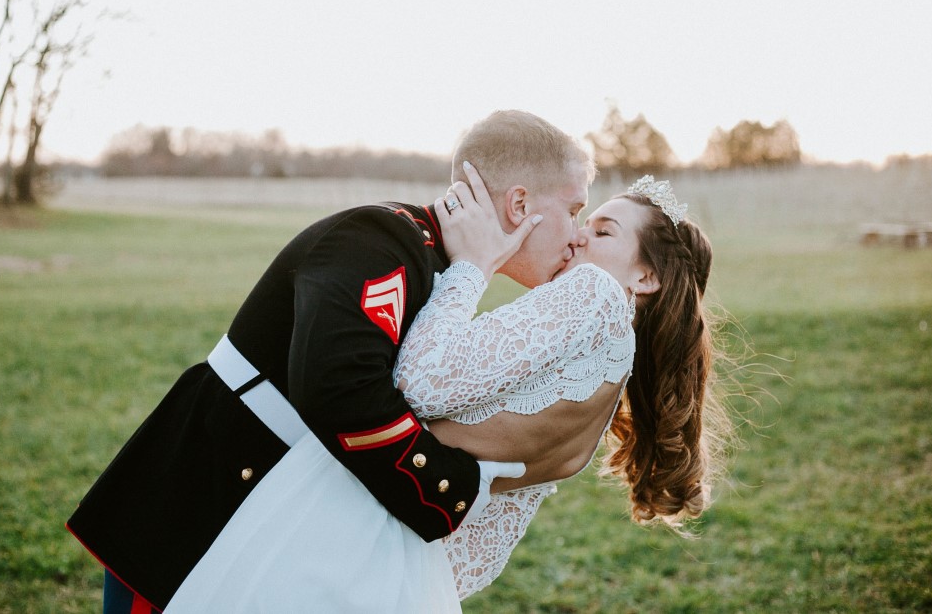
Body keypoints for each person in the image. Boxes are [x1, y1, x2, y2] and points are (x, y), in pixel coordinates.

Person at [66, 109, 595, 613]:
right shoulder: (380, 237)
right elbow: (340, 388)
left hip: (268, 517)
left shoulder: (439, 263)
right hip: (200, 506)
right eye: (574, 210)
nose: (579, 235)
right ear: (520, 204)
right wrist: (450, 488)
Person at [164, 174, 728, 611]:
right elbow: (481, 552)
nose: (580, 234)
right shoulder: (607, 388)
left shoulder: (595, 296)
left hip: (350, 507)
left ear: (646, 277)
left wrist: (471, 269)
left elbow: (422, 377)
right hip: (416, 569)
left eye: (603, 230)